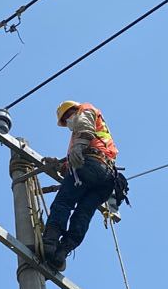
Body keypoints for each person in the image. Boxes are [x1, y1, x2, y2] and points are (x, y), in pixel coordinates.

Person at [40, 100, 118, 272]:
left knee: (64, 202)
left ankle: (50, 242)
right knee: (83, 214)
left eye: (69, 114)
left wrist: (78, 147)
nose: (68, 119)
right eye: (65, 118)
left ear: (75, 109)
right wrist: (60, 165)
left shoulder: (86, 110)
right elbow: (78, 160)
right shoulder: (88, 136)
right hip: (107, 177)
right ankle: (62, 252)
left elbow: (84, 128)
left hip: (92, 166)